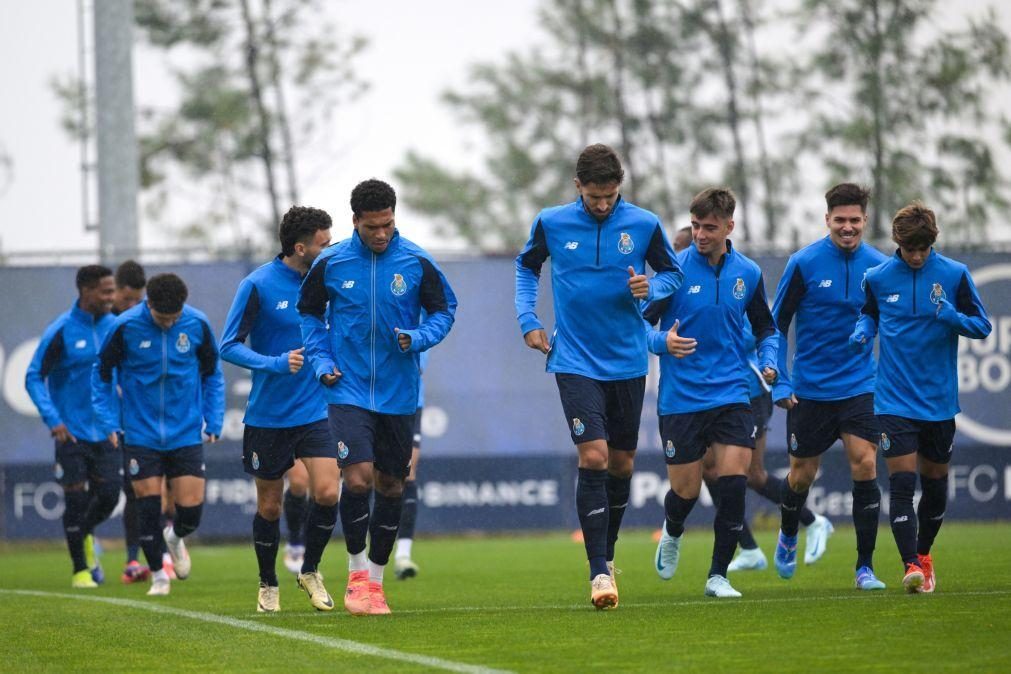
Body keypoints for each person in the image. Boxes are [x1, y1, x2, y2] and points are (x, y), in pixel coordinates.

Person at [515, 144, 683, 609]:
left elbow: (673, 275)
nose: (603, 205)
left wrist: (653, 286)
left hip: (628, 360)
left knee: (622, 464)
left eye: (610, 196)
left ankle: (607, 557)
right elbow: (527, 265)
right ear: (577, 188)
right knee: (593, 455)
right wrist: (528, 318)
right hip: (573, 359)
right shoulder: (551, 221)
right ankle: (597, 573)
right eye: (594, 197)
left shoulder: (645, 224)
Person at [299, 178, 457, 615]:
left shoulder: (417, 261)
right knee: (357, 479)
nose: (382, 234)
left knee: (392, 483)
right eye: (373, 227)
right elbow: (309, 314)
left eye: (388, 224)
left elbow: (445, 311)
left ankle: (377, 581)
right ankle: (355, 575)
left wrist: (420, 337)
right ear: (356, 222)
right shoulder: (330, 262)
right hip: (345, 388)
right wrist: (320, 360)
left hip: (399, 393)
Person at [850, 202, 991, 593]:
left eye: (922, 249)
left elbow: (982, 326)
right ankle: (910, 563)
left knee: (935, 484)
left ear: (932, 243)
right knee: (900, 484)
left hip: (939, 402)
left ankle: (924, 555)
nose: (915, 256)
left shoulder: (955, 275)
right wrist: (863, 330)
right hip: (893, 399)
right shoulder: (877, 277)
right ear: (898, 243)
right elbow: (869, 314)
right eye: (909, 249)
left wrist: (952, 317)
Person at [648, 187, 777, 599]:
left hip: (733, 394)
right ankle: (673, 529)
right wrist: (660, 343)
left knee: (733, 482)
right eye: (695, 226)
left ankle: (718, 575)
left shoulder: (749, 273)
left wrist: (770, 358)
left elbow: (765, 327)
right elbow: (637, 326)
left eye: (709, 227)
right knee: (684, 491)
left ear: (729, 227)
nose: (700, 234)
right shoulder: (673, 272)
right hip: (682, 399)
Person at [220, 205, 339, 613]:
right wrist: (273, 362)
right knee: (270, 505)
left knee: (327, 491)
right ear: (300, 247)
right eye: (324, 244)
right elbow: (228, 344)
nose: (330, 250)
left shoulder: (330, 280)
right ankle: (268, 582)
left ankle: (310, 569)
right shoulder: (257, 285)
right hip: (268, 416)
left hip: (316, 410)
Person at [770, 183, 889, 589]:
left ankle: (864, 567)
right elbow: (775, 325)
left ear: (865, 221)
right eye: (840, 220)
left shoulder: (879, 266)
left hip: (860, 385)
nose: (848, 227)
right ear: (827, 220)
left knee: (866, 463)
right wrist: (779, 377)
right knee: (802, 476)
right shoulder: (803, 263)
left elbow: (889, 323)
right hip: (810, 390)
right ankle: (788, 532)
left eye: (855, 220)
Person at [93, 273, 225, 596]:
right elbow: (102, 375)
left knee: (191, 510)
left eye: (174, 318)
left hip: (185, 432)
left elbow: (212, 374)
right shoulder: (124, 326)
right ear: (147, 304)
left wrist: (214, 418)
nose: (168, 324)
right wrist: (109, 422)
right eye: (162, 318)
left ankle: (176, 538)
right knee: (147, 509)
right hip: (140, 433)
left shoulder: (197, 324)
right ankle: (158, 576)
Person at [25, 265, 120, 588]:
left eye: (113, 291)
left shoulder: (116, 326)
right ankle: (81, 569)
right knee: (76, 499)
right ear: (86, 292)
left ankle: (85, 534)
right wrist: (53, 419)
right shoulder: (62, 330)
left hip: (106, 430)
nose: (112, 297)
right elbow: (33, 376)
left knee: (108, 495)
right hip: (71, 431)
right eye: (106, 291)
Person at [112, 260, 153, 584]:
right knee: (123, 489)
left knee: (144, 490)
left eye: (136, 300)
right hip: (112, 421)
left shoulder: (145, 320)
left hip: (143, 418)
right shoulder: (109, 324)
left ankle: (143, 558)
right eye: (125, 300)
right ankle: (131, 559)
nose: (131, 306)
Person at [393, 349, 429, 580]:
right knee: (364, 477)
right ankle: (359, 558)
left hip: (409, 401)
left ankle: (403, 555)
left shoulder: (420, 315)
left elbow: (418, 365)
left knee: (407, 474)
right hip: (368, 400)